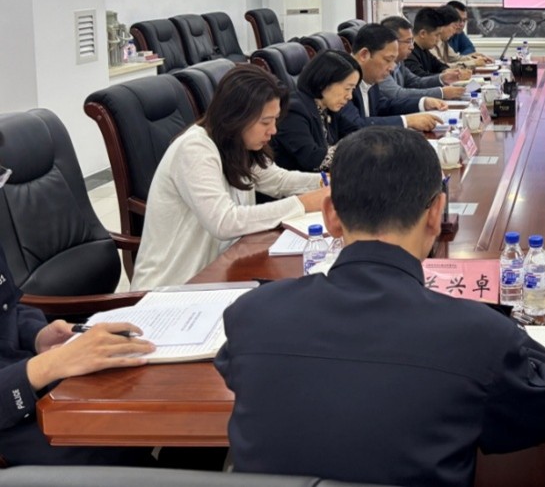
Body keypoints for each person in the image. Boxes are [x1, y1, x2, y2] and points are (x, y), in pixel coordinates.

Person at [216, 127, 545, 487]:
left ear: (331, 215)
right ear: (436, 214)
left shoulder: (252, 315)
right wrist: (505, 325)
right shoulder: (478, 336)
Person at [0, 140, 155, 466]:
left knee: (140, 398)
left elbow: (9, 305)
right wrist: (45, 367)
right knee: (116, 437)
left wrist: (37, 335)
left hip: (30, 380)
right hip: (11, 418)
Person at [133, 65, 328, 290]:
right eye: (265, 122)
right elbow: (224, 222)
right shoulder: (195, 149)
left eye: (275, 120)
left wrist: (323, 182)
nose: (273, 130)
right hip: (174, 287)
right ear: (236, 117)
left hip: (221, 272)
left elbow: (277, 180)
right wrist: (301, 203)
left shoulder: (237, 143)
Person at [339, 22, 443, 133]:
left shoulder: (369, 76)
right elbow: (354, 124)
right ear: (364, 55)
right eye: (388, 60)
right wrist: (407, 121)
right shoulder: (341, 79)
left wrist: (422, 103)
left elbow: (382, 106)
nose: (392, 68)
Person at [271, 49, 361, 173]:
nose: (350, 96)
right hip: (301, 183)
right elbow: (312, 160)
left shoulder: (327, 107)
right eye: (347, 88)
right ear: (323, 82)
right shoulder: (293, 110)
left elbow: (356, 133)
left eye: (352, 89)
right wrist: (352, 148)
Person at [378, 15, 469, 103]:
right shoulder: (381, 65)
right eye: (408, 41)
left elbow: (415, 81)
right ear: (392, 42)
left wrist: (442, 78)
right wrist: (441, 93)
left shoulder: (399, 61)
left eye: (412, 41)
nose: (412, 47)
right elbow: (397, 94)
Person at [405, 7, 463, 78]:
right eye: (436, 35)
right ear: (423, 34)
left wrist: (447, 71)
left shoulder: (424, 50)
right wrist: (444, 76)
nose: (438, 40)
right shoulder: (409, 53)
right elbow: (420, 77)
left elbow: (440, 66)